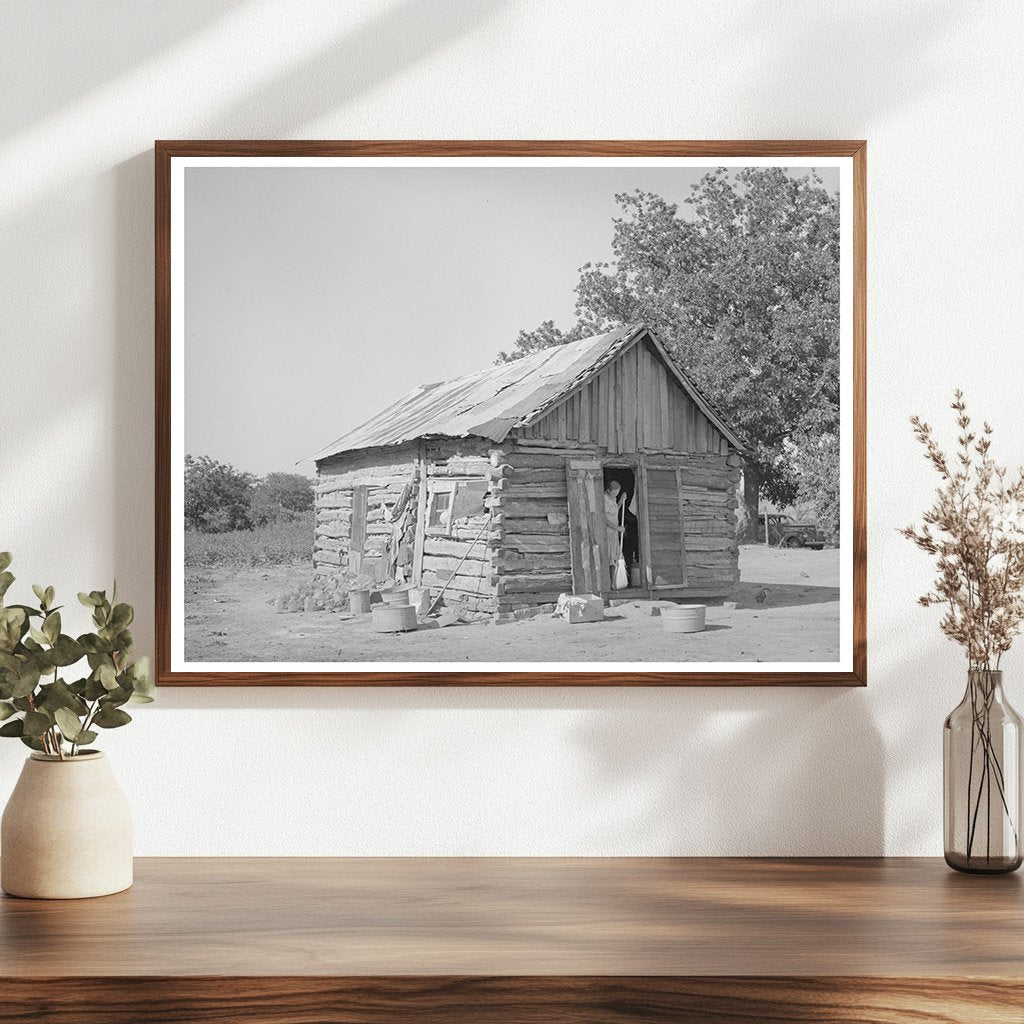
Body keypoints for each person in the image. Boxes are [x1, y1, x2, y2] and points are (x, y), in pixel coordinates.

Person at [603, 479, 625, 589]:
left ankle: (614, 583)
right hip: (608, 533)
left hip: (614, 533)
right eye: (615, 492)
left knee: (615, 558)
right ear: (608, 490)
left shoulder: (613, 498)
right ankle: (609, 584)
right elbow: (604, 519)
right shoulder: (604, 499)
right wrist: (617, 527)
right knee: (609, 558)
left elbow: (616, 510)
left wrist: (621, 499)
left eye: (618, 492)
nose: (616, 494)